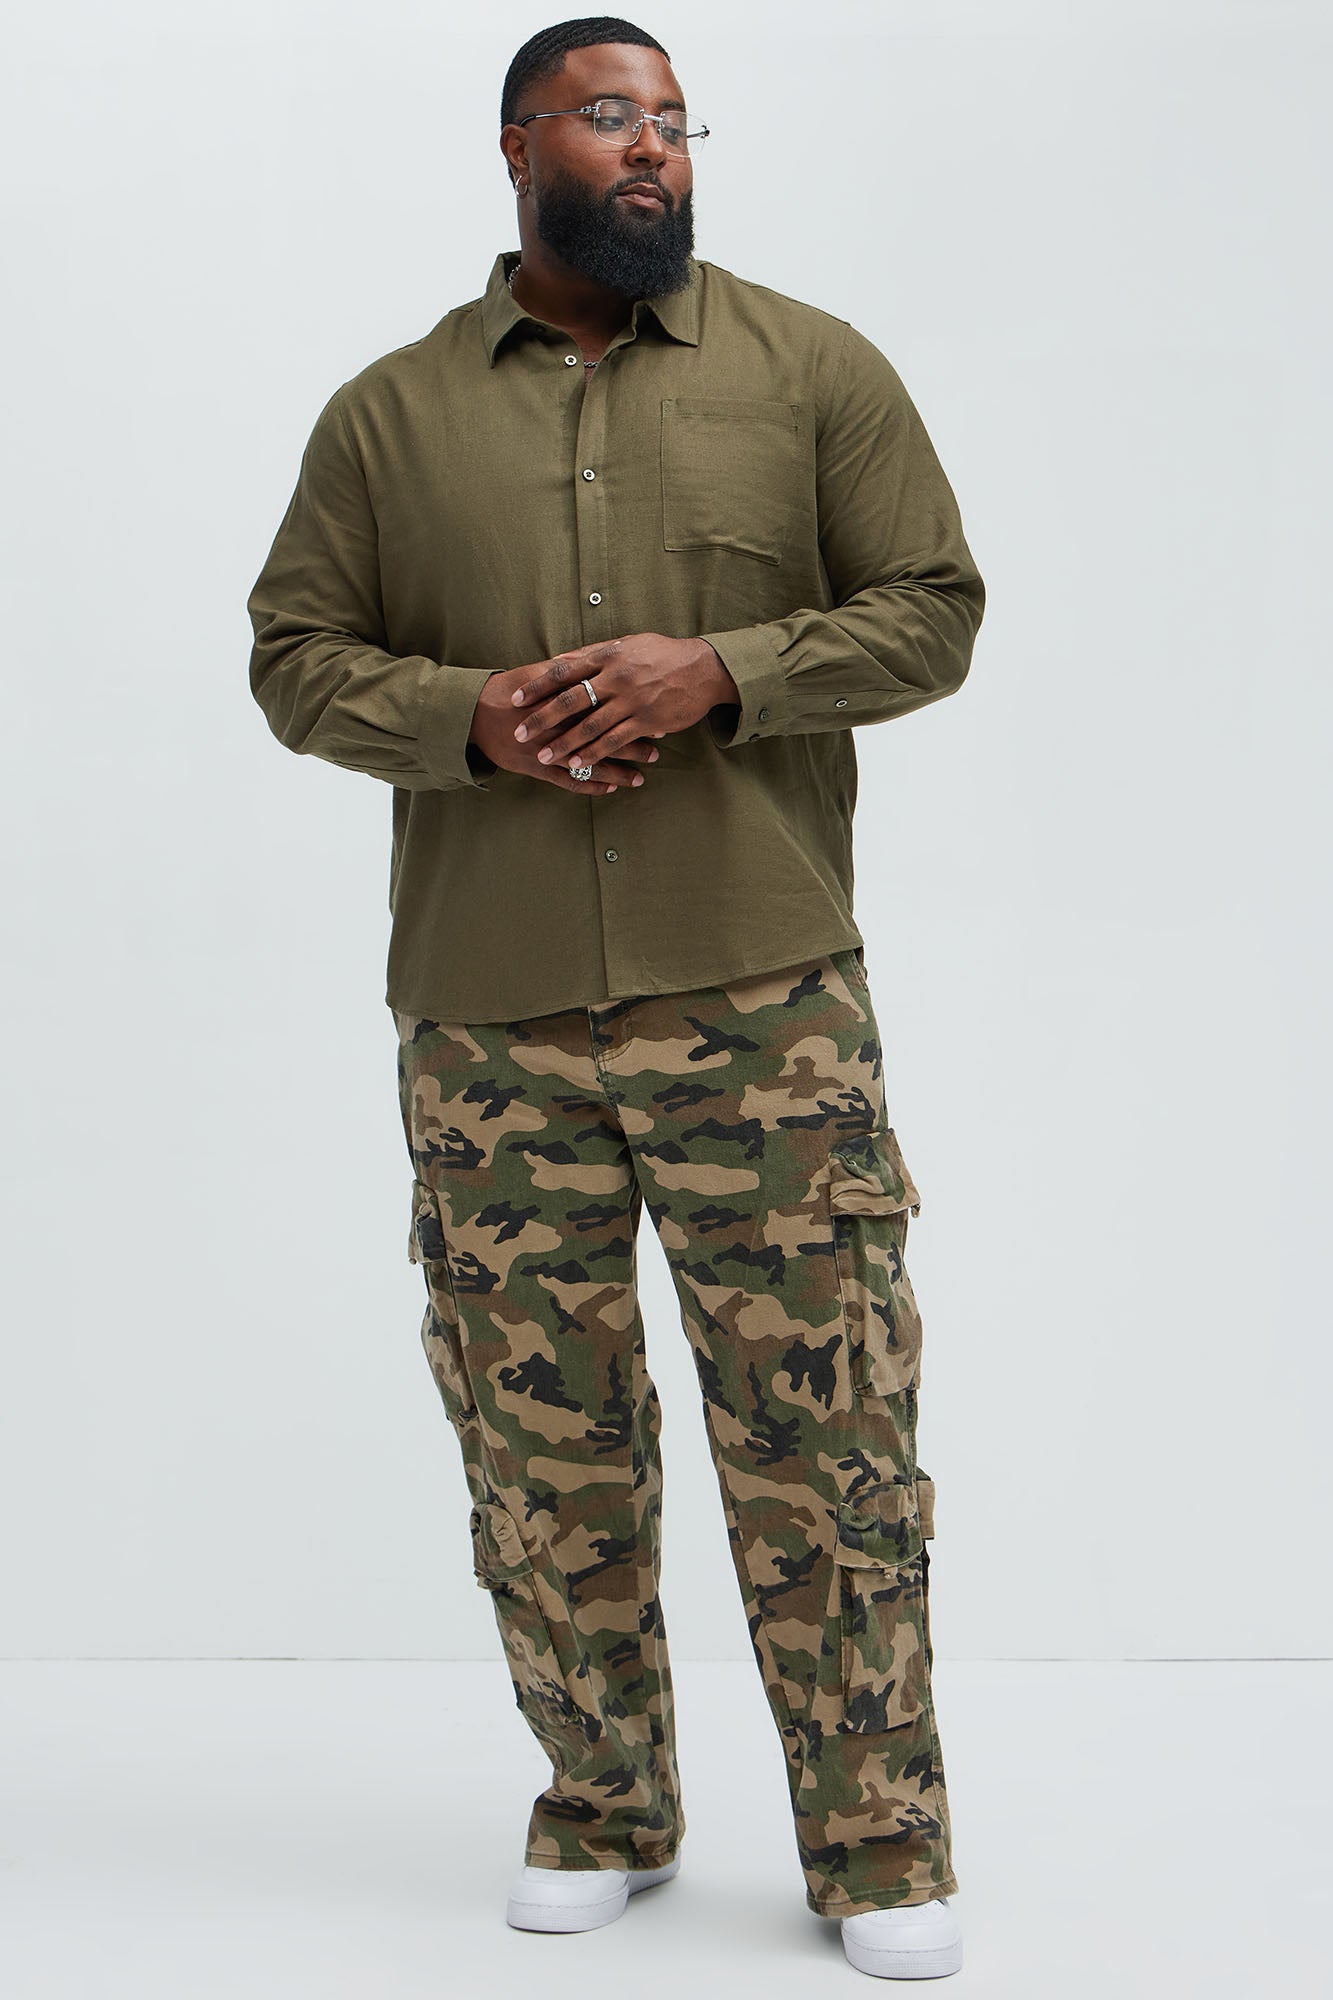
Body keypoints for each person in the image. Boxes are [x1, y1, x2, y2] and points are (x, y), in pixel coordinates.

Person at [247, 13, 984, 1982]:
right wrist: (465, 718)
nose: (653, 148)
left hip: (762, 995)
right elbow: (294, 658)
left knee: (826, 1435)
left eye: (672, 119)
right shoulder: (388, 418)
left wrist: (723, 673)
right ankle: (602, 1803)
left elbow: (932, 611)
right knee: (539, 1444)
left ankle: (879, 1838)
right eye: (608, 115)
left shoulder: (810, 370)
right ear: (517, 149)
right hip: (485, 1016)